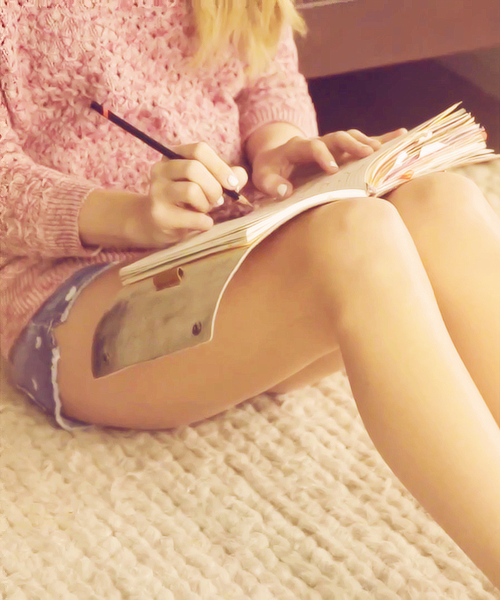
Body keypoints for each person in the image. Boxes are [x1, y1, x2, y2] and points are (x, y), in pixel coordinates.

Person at [1, 0, 499, 589]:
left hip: (229, 246)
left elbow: (267, 74)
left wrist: (280, 152)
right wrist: (133, 217)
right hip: (74, 299)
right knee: (354, 241)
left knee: (441, 202)